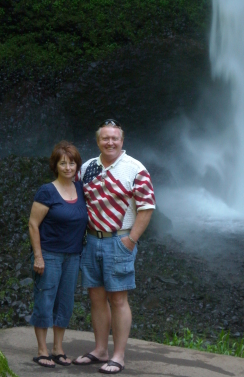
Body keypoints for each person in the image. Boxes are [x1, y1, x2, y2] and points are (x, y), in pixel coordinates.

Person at [73, 119, 155, 374]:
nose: (110, 142)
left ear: (122, 141)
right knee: (96, 297)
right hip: (92, 239)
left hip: (119, 240)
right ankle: (100, 350)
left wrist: (131, 240)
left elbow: (147, 207)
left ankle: (118, 355)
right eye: (105, 138)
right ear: (98, 140)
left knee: (118, 298)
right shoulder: (88, 167)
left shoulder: (134, 168)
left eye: (115, 138)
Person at [28, 141, 88, 368]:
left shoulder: (81, 189)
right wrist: (38, 256)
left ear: (77, 166)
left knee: (65, 303)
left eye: (72, 163)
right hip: (50, 255)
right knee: (45, 299)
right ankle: (42, 350)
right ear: (55, 166)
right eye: (63, 163)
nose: (68, 167)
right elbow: (33, 225)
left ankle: (58, 349)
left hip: (73, 256)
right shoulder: (47, 191)